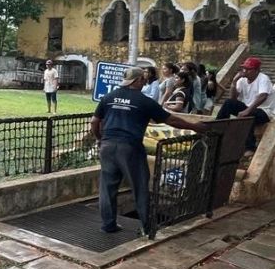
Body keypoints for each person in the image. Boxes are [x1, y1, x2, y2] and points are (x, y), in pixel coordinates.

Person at [91, 66, 204, 235]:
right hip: (129, 148)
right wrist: (195, 127)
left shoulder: (109, 97)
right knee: (140, 187)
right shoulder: (144, 101)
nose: (145, 81)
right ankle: (147, 227)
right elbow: (172, 120)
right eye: (143, 79)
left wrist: (100, 138)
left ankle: (108, 225)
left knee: (107, 188)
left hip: (107, 146)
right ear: (138, 81)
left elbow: (95, 121)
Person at [215, 56, 275, 156]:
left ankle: (250, 147)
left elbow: (263, 96)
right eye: (244, 68)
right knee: (228, 103)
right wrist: (234, 82)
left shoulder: (263, 78)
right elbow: (233, 98)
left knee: (248, 115)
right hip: (248, 108)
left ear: (256, 70)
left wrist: (247, 111)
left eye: (248, 69)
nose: (245, 71)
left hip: (264, 111)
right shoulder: (242, 80)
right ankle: (217, 130)